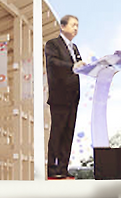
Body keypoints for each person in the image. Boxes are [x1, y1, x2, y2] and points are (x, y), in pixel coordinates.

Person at [44, 14, 84, 179]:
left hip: (73, 98)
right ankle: (52, 170)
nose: (76, 28)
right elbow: (53, 63)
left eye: (77, 25)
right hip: (59, 97)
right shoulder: (52, 44)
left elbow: (78, 66)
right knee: (57, 133)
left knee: (68, 134)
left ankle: (63, 168)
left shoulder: (74, 48)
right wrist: (72, 66)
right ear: (62, 26)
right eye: (73, 25)